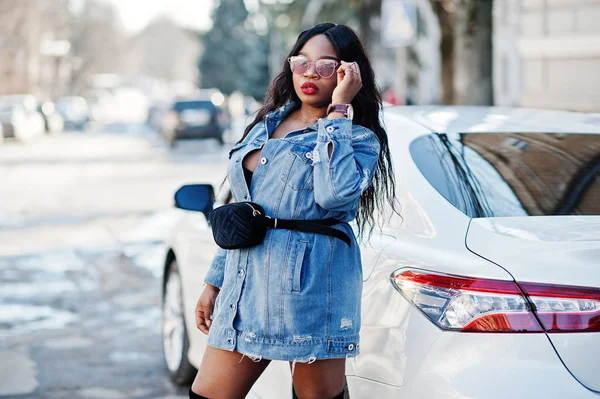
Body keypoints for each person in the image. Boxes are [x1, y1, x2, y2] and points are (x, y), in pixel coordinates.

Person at [190, 22, 397, 399]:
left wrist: (339, 110)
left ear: (348, 73)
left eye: (325, 65)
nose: (309, 73)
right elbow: (244, 207)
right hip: (245, 288)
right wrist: (214, 280)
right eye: (301, 62)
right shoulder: (266, 123)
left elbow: (335, 195)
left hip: (308, 289)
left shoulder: (358, 138)